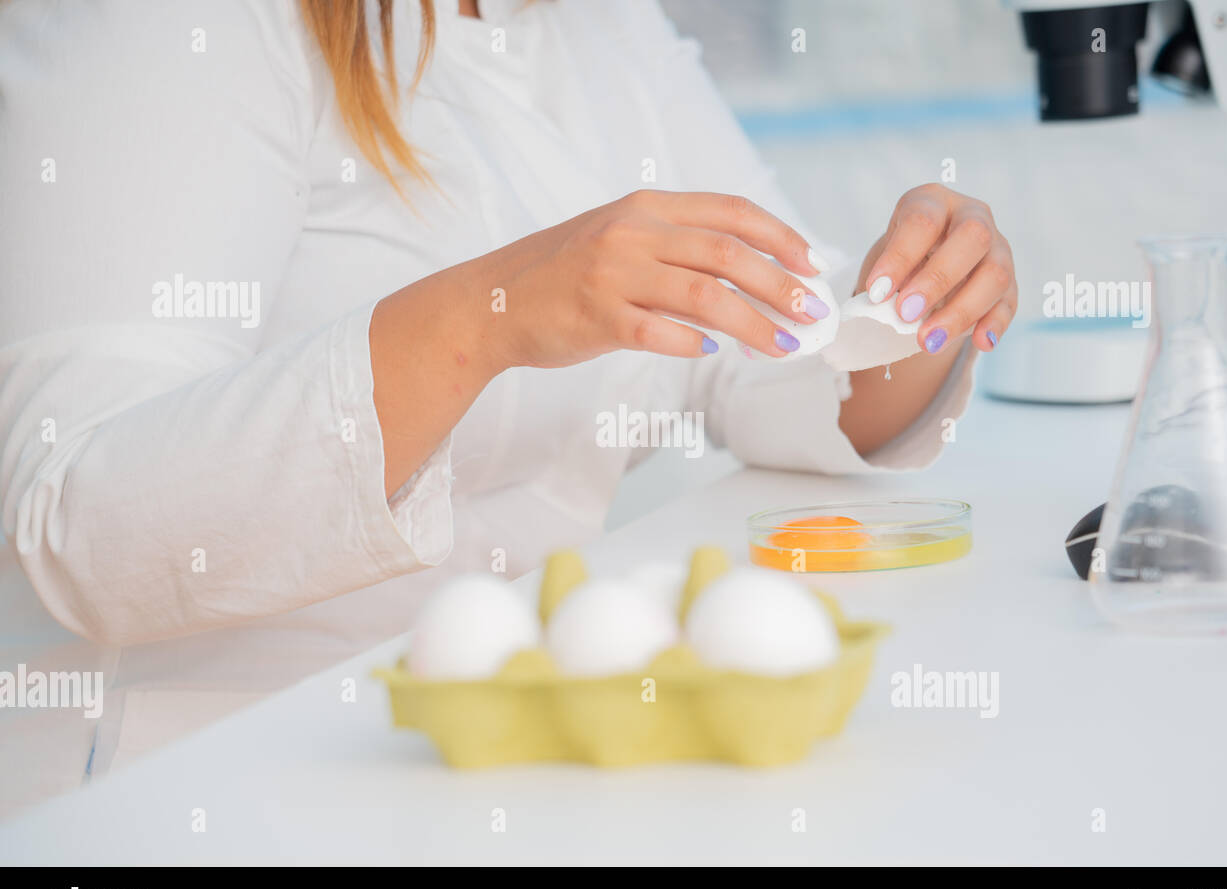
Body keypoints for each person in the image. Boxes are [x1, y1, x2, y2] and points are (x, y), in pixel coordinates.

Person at [0, 0, 1017, 813]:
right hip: (210, 789)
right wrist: (486, 319)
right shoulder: (167, 24)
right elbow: (79, 522)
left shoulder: (594, 24)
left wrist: (914, 308)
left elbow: (762, 362)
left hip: (510, 764)